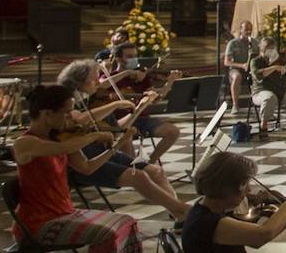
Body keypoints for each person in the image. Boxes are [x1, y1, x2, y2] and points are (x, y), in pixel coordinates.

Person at [11, 84, 154, 253]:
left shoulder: (60, 138)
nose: (72, 118)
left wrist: (115, 145)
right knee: (105, 234)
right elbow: (67, 146)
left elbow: (86, 168)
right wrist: (94, 135)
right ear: (47, 114)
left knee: (126, 221)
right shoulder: (25, 143)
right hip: (39, 223)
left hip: (64, 212)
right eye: (66, 113)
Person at [56, 60, 189, 217]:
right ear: (80, 81)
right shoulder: (65, 102)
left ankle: (179, 215)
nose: (99, 84)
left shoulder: (91, 99)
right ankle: (184, 211)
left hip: (103, 150)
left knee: (156, 171)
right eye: (94, 79)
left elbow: (117, 131)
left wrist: (139, 108)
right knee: (139, 176)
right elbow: (79, 119)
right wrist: (115, 105)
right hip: (84, 158)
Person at [100, 43, 181, 165]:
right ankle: (133, 167)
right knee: (128, 143)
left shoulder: (141, 77)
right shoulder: (109, 76)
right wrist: (127, 73)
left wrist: (169, 83)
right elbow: (101, 85)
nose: (134, 59)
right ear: (118, 59)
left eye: (135, 56)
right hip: (119, 122)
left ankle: (150, 163)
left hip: (141, 119)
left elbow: (155, 99)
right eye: (129, 56)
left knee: (173, 131)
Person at [250, 37, 286, 137]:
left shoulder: (279, 60)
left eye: (273, 48)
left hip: (280, 92)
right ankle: (264, 126)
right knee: (269, 97)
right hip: (261, 91)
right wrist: (274, 67)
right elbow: (258, 74)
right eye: (269, 48)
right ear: (262, 49)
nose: (272, 51)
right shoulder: (255, 61)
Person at [222, 20, 254, 109]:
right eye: (246, 30)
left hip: (251, 68)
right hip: (236, 69)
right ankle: (235, 105)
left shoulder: (254, 42)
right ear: (241, 30)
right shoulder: (233, 43)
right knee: (237, 76)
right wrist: (242, 65)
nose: (249, 32)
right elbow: (226, 62)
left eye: (250, 30)